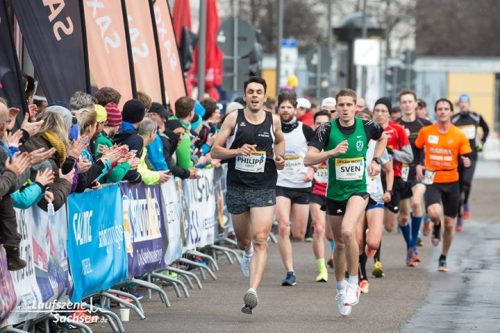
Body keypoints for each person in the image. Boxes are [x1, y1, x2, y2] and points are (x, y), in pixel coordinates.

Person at [305, 88, 386, 316]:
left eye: (349, 105)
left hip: (358, 191)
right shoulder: (326, 130)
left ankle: (354, 282)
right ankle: (341, 288)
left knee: (349, 232)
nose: (345, 109)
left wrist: (377, 160)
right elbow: (308, 158)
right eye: (341, 105)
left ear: (355, 107)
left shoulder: (367, 126)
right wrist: (330, 153)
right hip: (334, 193)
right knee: (338, 242)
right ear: (336, 108)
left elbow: (383, 137)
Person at [211, 76, 285, 315]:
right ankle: (246, 253)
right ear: (245, 96)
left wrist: (280, 157)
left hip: (264, 185)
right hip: (238, 186)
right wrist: (236, 151)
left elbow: (280, 140)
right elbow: (215, 150)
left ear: (265, 96)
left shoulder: (273, 120)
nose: (254, 95)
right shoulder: (234, 118)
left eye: (259, 92)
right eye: (250, 91)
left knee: (261, 237)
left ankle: (252, 291)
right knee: (244, 240)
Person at [415, 98, 472, 272]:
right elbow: (416, 148)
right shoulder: (426, 132)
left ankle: (443, 257)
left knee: (450, 223)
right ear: (435, 112)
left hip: (452, 182)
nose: (442, 111)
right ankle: (435, 225)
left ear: (451, 112)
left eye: (446, 108)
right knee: (434, 212)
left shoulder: (458, 134)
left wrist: (466, 161)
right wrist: (418, 164)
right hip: (432, 180)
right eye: (439, 108)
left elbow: (467, 155)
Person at [274, 92, 314, 286]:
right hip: (280, 183)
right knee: (283, 227)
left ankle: (292, 264)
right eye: (282, 107)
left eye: (289, 107)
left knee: (298, 234)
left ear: (295, 109)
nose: (285, 110)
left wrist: (312, 169)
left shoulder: (305, 130)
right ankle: (290, 271)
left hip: (302, 184)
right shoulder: (273, 130)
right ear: (277, 109)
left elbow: (317, 153)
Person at [372, 97, 414, 269]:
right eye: (377, 111)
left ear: (389, 114)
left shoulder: (397, 130)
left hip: (394, 179)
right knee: (374, 221)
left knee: (389, 226)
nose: (380, 114)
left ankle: (411, 245)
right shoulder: (367, 130)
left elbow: (409, 157)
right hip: (373, 178)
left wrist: (391, 152)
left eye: (383, 111)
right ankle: (377, 261)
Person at [355, 109, 393, 293]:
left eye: (365, 122)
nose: (362, 125)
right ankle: (361, 275)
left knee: (373, 243)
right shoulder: (349, 141)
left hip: (376, 195)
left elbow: (390, 169)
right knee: (358, 240)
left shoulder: (377, 143)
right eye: (359, 121)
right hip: (355, 194)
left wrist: (389, 190)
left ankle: (362, 264)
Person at [397, 90, 431, 266]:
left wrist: (423, 163)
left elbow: (432, 147)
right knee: (403, 217)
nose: (407, 105)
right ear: (401, 105)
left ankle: (412, 248)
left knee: (417, 203)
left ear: (416, 104)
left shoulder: (425, 125)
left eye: (410, 102)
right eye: (404, 102)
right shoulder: (395, 125)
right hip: (401, 174)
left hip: (419, 173)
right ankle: (409, 246)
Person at [451, 93, 489, 231]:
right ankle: (459, 218)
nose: (463, 105)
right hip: (457, 157)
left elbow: (486, 128)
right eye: (461, 102)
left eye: (466, 102)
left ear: (469, 104)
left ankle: (465, 202)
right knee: (458, 187)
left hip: (471, 155)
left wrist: (482, 143)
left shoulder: (476, 117)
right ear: (459, 104)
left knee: (466, 182)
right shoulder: (454, 118)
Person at [309, 110, 335, 282]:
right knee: (318, 228)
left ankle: (334, 254)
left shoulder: (337, 141)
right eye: (318, 123)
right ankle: (322, 269)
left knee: (333, 234)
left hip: (334, 191)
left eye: (324, 124)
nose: (321, 127)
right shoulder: (310, 143)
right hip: (316, 191)